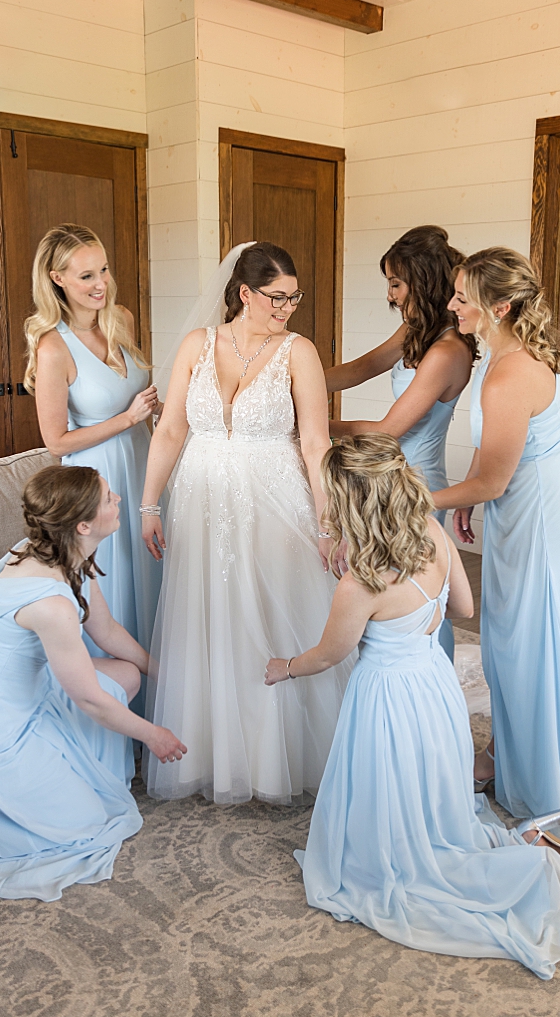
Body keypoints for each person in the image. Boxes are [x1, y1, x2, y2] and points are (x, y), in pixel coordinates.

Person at [266, 434, 560, 979]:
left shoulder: (360, 583)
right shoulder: (433, 536)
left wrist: (283, 666)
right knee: (431, 774)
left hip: (388, 695)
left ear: (352, 505)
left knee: (391, 778)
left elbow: (329, 655)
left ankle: (518, 860)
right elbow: (464, 607)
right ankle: (535, 848)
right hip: (435, 686)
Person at [0, 465, 186, 900]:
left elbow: (106, 634)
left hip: (17, 690)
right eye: (109, 497)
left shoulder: (59, 550)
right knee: (82, 833)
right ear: (84, 524)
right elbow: (88, 699)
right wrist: (154, 735)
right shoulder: (51, 603)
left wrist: (170, 677)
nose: (119, 500)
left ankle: (65, 770)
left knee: (126, 674)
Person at [139, 241, 351, 806]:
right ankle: (213, 753)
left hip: (275, 498)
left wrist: (327, 521)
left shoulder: (299, 352)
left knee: (274, 613)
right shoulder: (196, 345)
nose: (288, 307)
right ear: (244, 293)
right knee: (209, 617)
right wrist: (149, 503)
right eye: (277, 297)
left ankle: (277, 760)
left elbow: (314, 441)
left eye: (293, 297)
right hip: (202, 499)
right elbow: (170, 432)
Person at [431, 248, 560, 831]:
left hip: (546, 518)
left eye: (463, 297)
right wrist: (476, 500)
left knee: (529, 646)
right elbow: (495, 474)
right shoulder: (511, 355)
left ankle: (541, 782)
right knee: (520, 643)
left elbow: (492, 476)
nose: (452, 304)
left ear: (501, 306)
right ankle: (507, 757)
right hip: (536, 503)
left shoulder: (510, 372)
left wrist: (416, 500)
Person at [324, 226, 476, 660]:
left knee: (423, 596)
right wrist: (292, 378)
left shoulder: (447, 350)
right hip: (387, 480)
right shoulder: (416, 331)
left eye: (395, 283)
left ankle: (430, 681)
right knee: (390, 591)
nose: (390, 296)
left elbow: (387, 431)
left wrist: (315, 421)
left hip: (416, 485)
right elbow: (362, 367)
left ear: (422, 282)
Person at [23, 223, 160, 670]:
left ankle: (162, 703)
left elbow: (137, 393)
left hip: (143, 463)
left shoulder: (121, 319)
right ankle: (115, 708)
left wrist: (155, 414)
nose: (100, 284)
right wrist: (127, 418)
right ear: (57, 278)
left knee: (153, 575)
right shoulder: (52, 347)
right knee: (115, 582)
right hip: (94, 479)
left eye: (103, 270)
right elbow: (55, 441)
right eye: (86, 276)